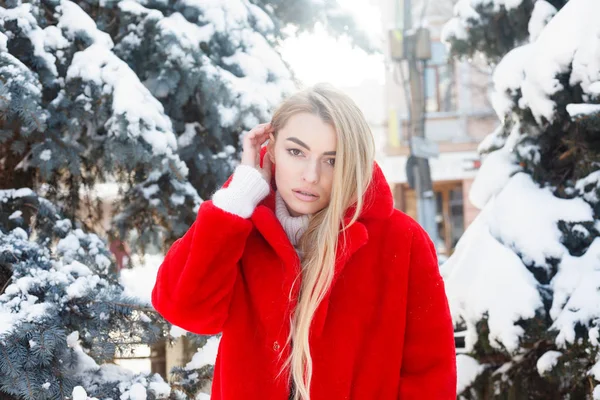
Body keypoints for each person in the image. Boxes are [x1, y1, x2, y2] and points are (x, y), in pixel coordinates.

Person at [151, 84, 456, 400]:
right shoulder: (239, 225)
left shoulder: (400, 239)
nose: (311, 175)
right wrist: (237, 196)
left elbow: (429, 374)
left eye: (332, 160)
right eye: (296, 152)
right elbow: (185, 309)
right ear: (270, 148)